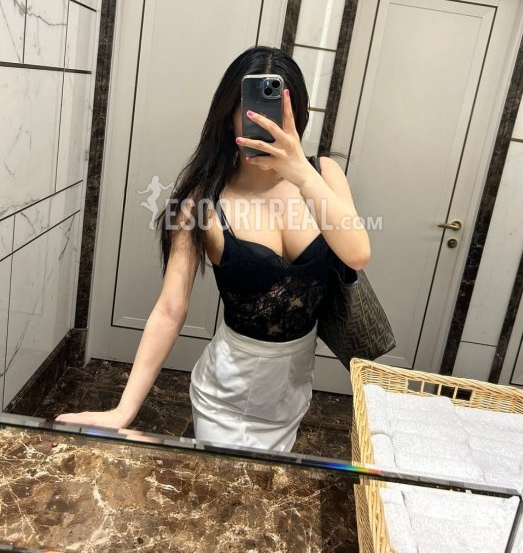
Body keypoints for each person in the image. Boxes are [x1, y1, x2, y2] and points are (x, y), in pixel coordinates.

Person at [57, 46, 371, 452]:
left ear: (298, 116)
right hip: (225, 397)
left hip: (292, 393)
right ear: (229, 116)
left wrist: (301, 174)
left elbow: (356, 253)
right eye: (252, 110)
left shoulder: (326, 174)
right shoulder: (202, 202)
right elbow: (170, 309)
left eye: (278, 112)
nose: (265, 123)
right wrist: (123, 410)